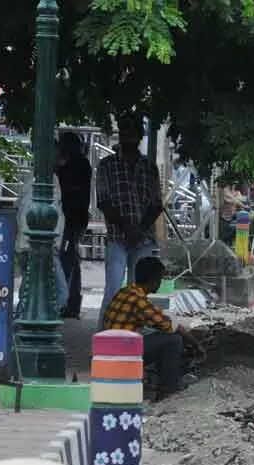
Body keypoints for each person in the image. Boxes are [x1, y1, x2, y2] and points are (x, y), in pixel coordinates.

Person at [96, 113, 163, 330]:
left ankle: (135, 342)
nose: (130, 137)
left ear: (140, 136)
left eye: (133, 133)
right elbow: (104, 202)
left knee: (140, 295)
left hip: (143, 238)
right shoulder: (107, 165)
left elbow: (156, 204)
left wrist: (138, 230)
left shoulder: (149, 167)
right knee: (113, 292)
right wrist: (128, 229)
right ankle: (104, 340)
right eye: (126, 132)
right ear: (121, 135)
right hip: (118, 236)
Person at [103, 257, 205, 399]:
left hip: (107, 350)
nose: (160, 283)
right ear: (153, 279)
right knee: (173, 341)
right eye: (160, 279)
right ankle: (168, 390)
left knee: (159, 336)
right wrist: (196, 344)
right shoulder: (138, 299)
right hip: (122, 354)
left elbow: (154, 319)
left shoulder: (125, 292)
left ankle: (156, 380)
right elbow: (169, 326)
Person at [56, 131, 92, 318]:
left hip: (71, 219)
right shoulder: (80, 164)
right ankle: (72, 302)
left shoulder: (77, 165)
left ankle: (66, 302)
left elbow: (67, 189)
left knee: (66, 260)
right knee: (71, 259)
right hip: (74, 219)